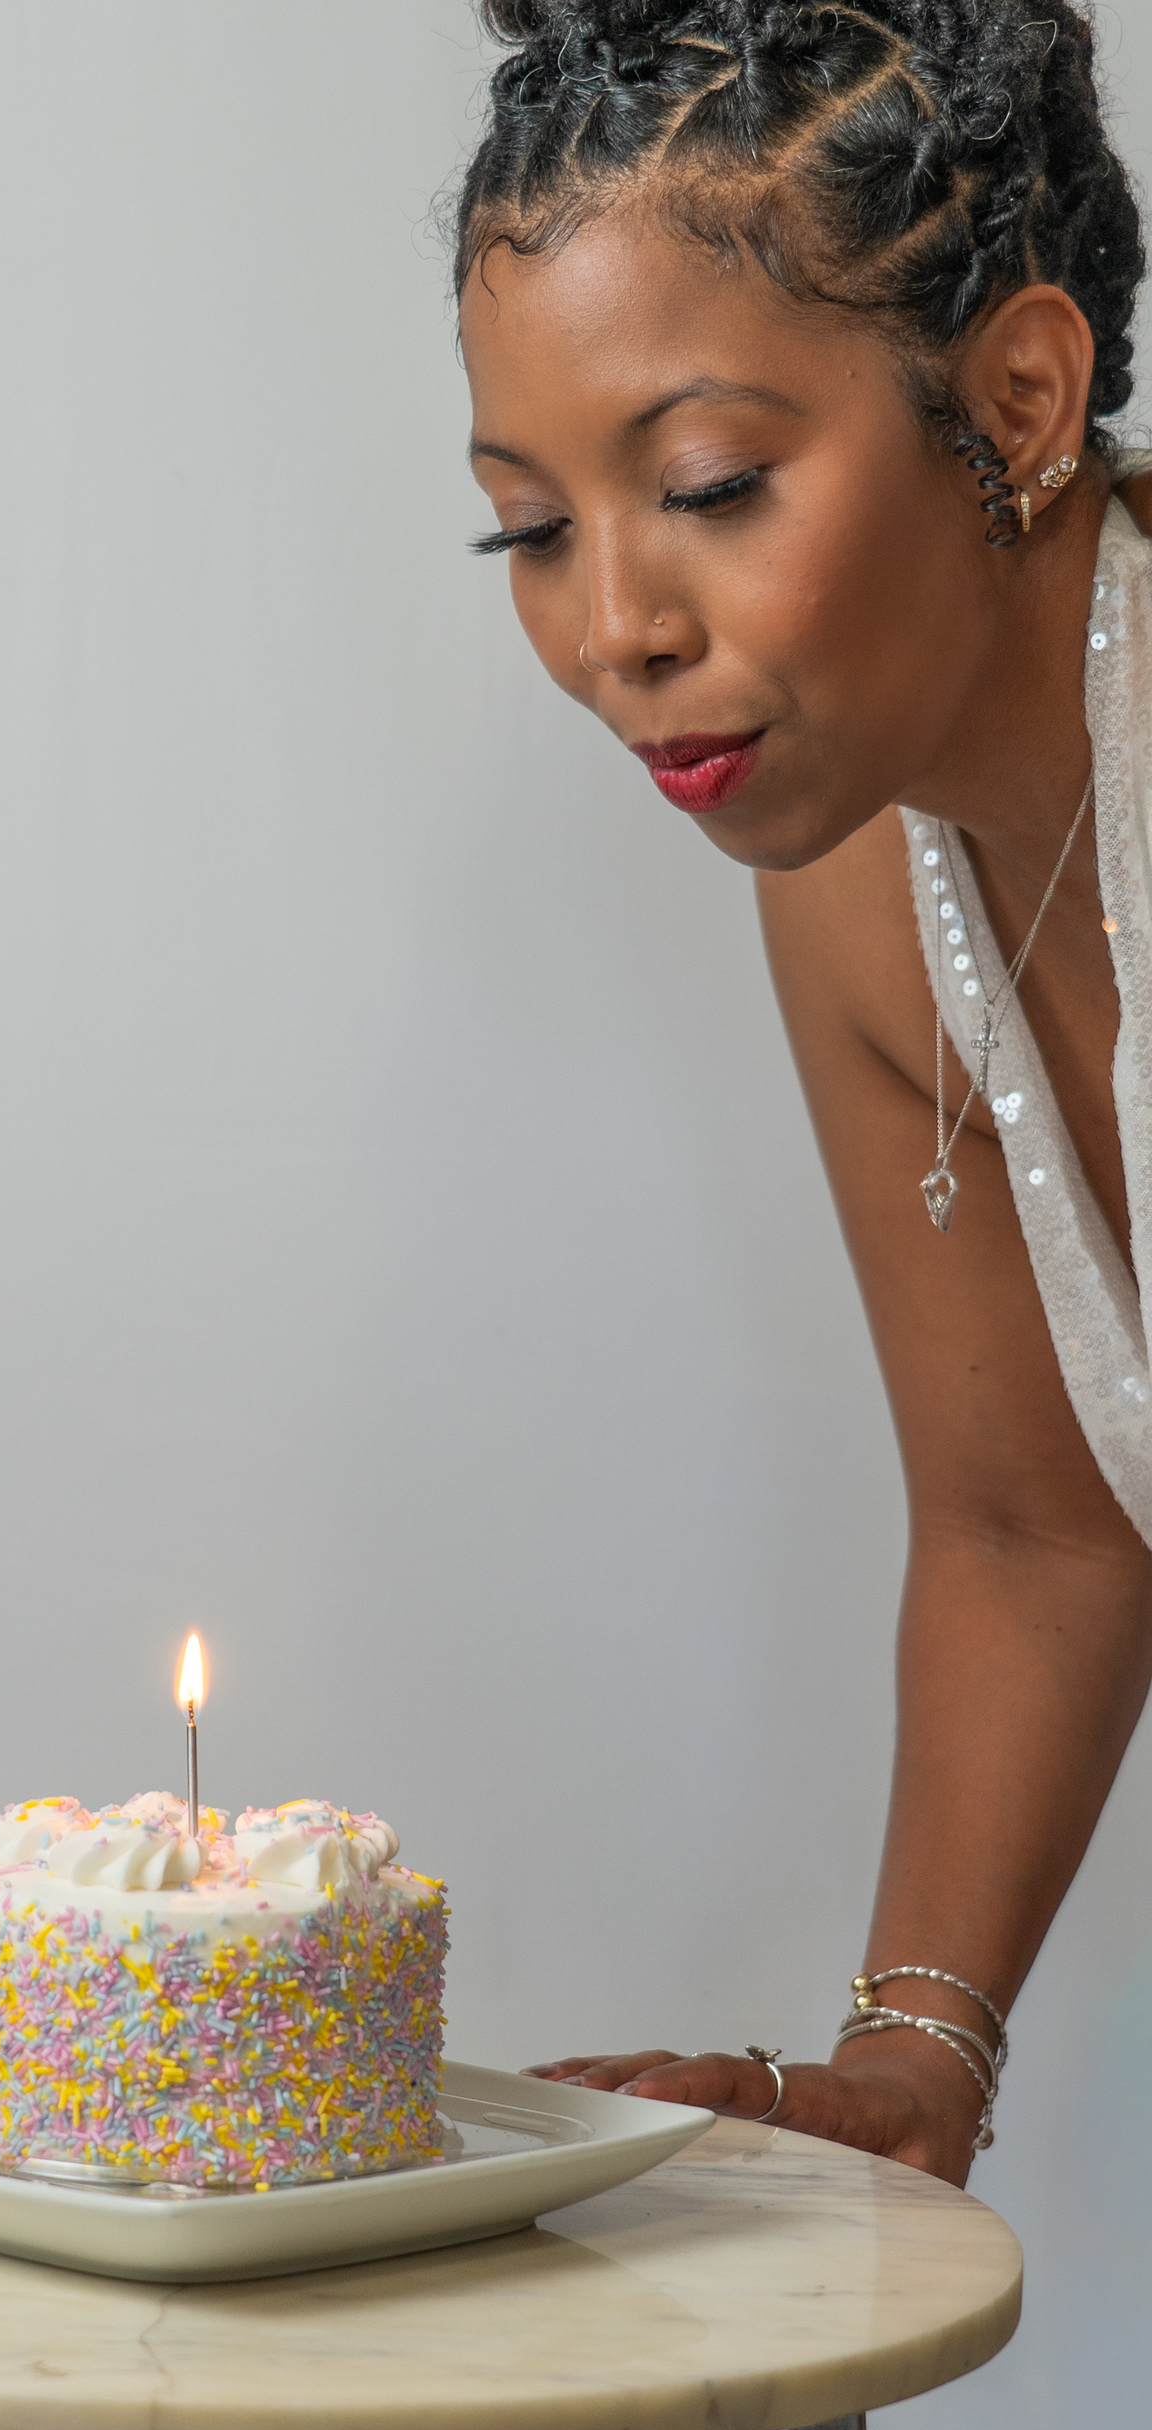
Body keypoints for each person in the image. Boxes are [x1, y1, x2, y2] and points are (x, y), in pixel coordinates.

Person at [454, 0, 1151, 2182]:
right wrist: (909, 2063)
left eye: (706, 488)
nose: (612, 630)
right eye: (528, 530)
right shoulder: (857, 877)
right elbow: (1036, 1525)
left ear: (1019, 399)